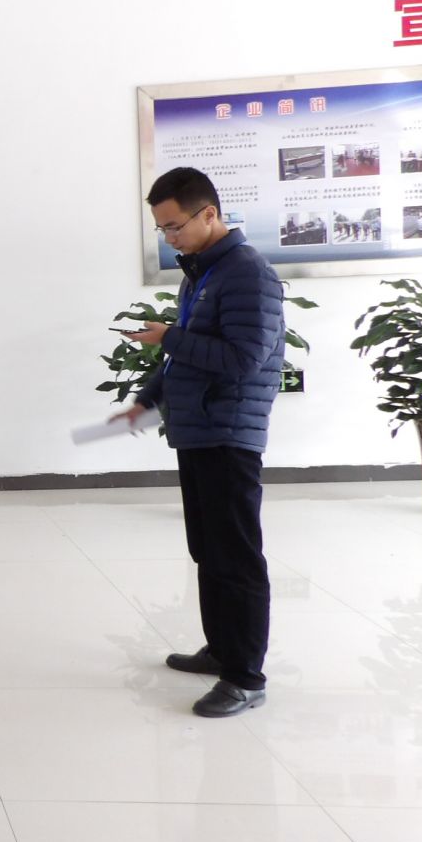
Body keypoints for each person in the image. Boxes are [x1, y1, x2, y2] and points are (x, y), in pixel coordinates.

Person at [113, 166, 285, 718]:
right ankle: (223, 650)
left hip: (229, 433)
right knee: (207, 551)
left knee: (235, 556)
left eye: (175, 226)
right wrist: (148, 399)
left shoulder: (247, 273)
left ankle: (246, 676)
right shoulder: (202, 274)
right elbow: (183, 355)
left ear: (209, 214)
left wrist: (171, 336)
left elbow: (242, 359)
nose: (169, 238)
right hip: (199, 431)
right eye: (161, 228)